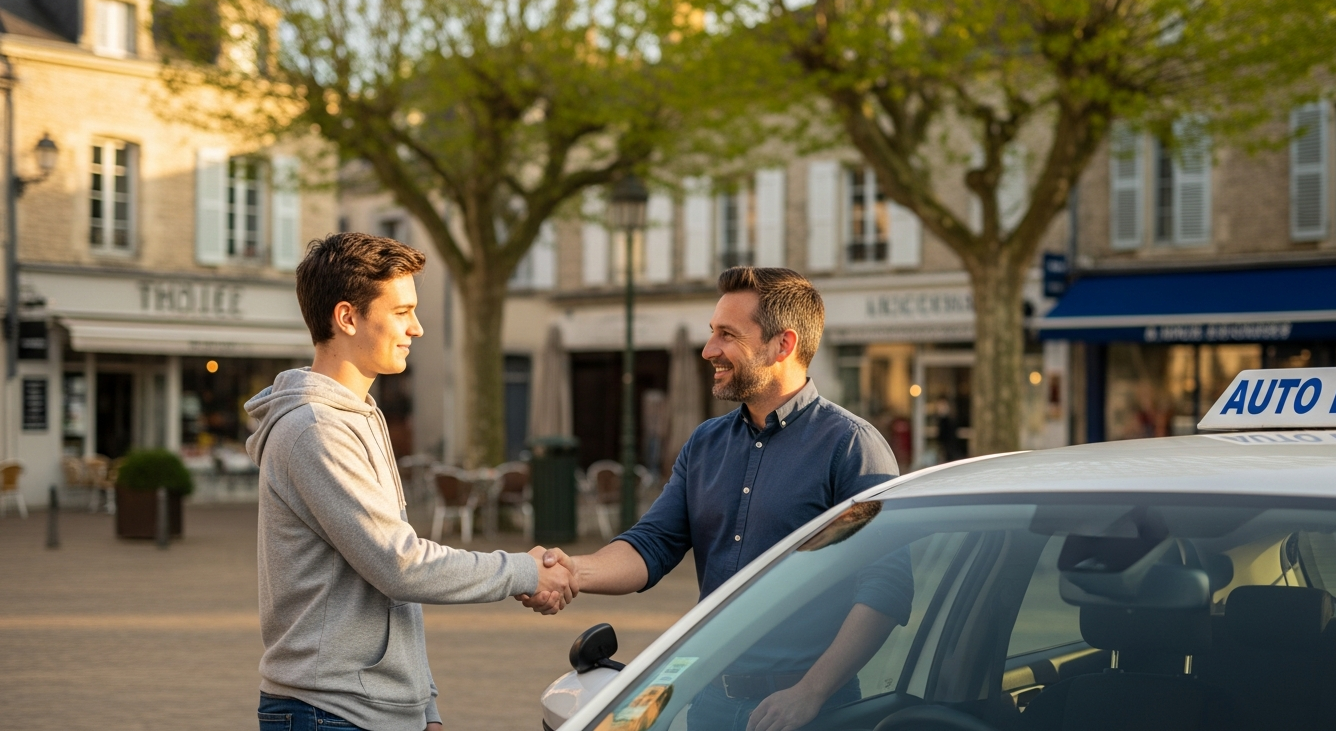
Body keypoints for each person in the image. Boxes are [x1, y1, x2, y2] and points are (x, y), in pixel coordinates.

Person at [522, 267, 907, 731]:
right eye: (711, 333)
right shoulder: (705, 443)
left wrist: (811, 693)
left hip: (815, 711)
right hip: (711, 703)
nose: (709, 351)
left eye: (727, 335)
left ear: (782, 345)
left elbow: (887, 586)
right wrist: (573, 571)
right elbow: (654, 543)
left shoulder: (851, 446)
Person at [246, 233, 575, 731]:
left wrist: (425, 707)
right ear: (347, 317)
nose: (417, 328)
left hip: (370, 711)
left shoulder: (357, 417)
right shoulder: (315, 429)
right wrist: (525, 571)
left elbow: (389, 589)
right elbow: (399, 565)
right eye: (401, 312)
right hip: (328, 713)